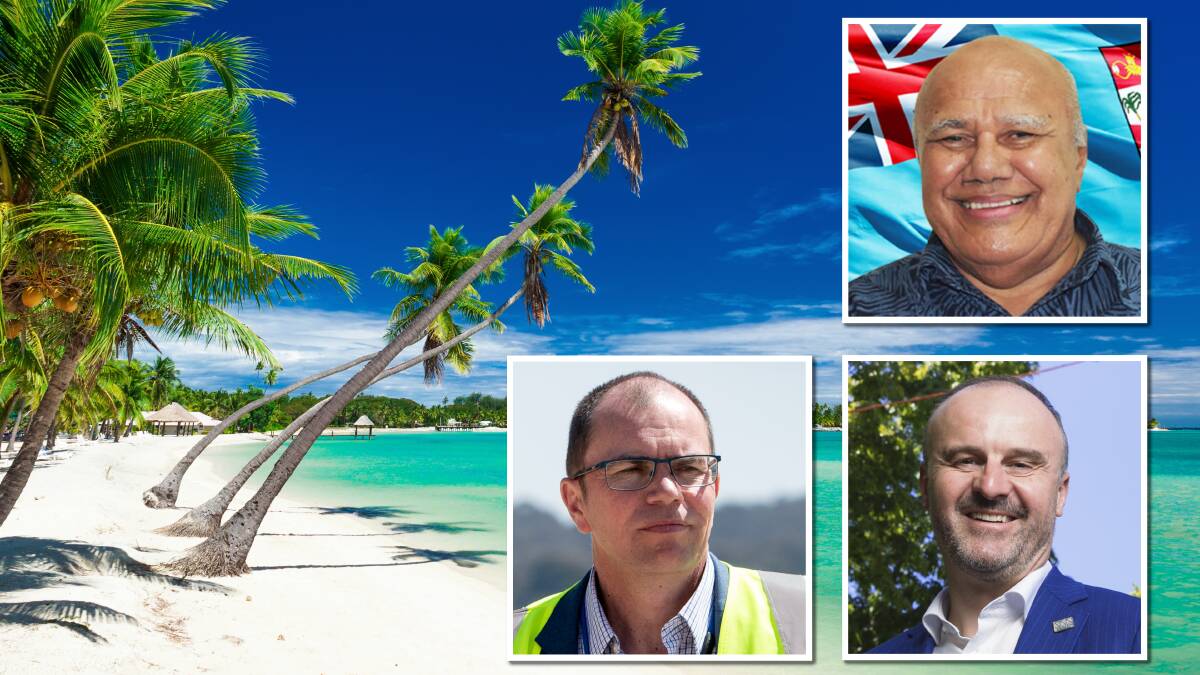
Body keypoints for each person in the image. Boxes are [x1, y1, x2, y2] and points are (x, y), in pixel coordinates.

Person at [512, 371, 806, 655]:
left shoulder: (810, 619)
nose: (668, 491)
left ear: (714, 487)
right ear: (576, 504)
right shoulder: (506, 644)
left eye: (689, 467)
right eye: (630, 470)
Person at [848, 36, 1140, 318]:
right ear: (922, 160)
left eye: (1020, 134)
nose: (985, 168)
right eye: (954, 138)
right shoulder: (851, 310)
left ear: (1078, 157)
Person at [870, 376, 1140, 654]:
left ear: (1060, 494)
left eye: (1021, 464)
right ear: (926, 487)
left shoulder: (1137, 633)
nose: (990, 487)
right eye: (966, 460)